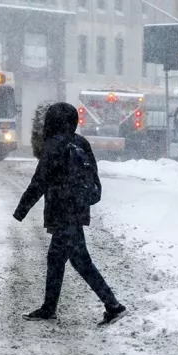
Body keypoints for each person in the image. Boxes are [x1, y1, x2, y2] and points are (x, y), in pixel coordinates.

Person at [14, 102, 126, 326]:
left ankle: (113, 306)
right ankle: (49, 308)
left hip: (62, 211)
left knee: (81, 261)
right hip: (77, 209)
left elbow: (40, 181)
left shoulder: (54, 145)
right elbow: (93, 177)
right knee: (57, 259)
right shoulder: (80, 143)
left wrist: (21, 209)